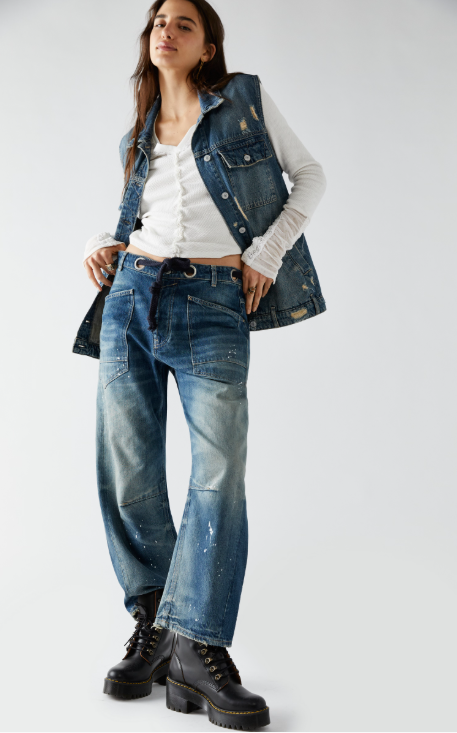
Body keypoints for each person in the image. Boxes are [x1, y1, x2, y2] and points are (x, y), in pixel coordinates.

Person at [73, 0, 327, 728]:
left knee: (218, 475)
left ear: (208, 45)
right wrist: (98, 242)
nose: (167, 31)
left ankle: (199, 642)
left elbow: (309, 175)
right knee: (127, 469)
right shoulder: (139, 131)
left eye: (183, 24)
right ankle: (156, 627)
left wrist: (265, 255)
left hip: (215, 301)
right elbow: (139, 217)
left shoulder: (243, 98)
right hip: (130, 296)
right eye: (159, 22)